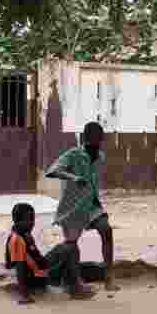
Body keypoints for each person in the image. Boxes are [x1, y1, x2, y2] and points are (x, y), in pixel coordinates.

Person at [45, 122, 119, 292]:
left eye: (98, 137)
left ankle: (109, 277)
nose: (96, 140)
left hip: (91, 204)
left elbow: (93, 181)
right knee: (71, 246)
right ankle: (75, 283)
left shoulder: (100, 157)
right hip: (73, 207)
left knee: (106, 230)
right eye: (92, 137)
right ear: (85, 138)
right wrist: (73, 178)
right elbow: (52, 171)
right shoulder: (73, 154)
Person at [4, 203, 98, 303]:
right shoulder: (17, 239)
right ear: (17, 221)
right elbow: (20, 268)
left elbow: (34, 258)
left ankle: (72, 284)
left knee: (69, 247)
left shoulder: (25, 234)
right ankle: (74, 287)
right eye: (29, 219)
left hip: (40, 268)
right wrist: (24, 295)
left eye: (33, 219)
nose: (32, 223)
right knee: (69, 248)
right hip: (37, 278)